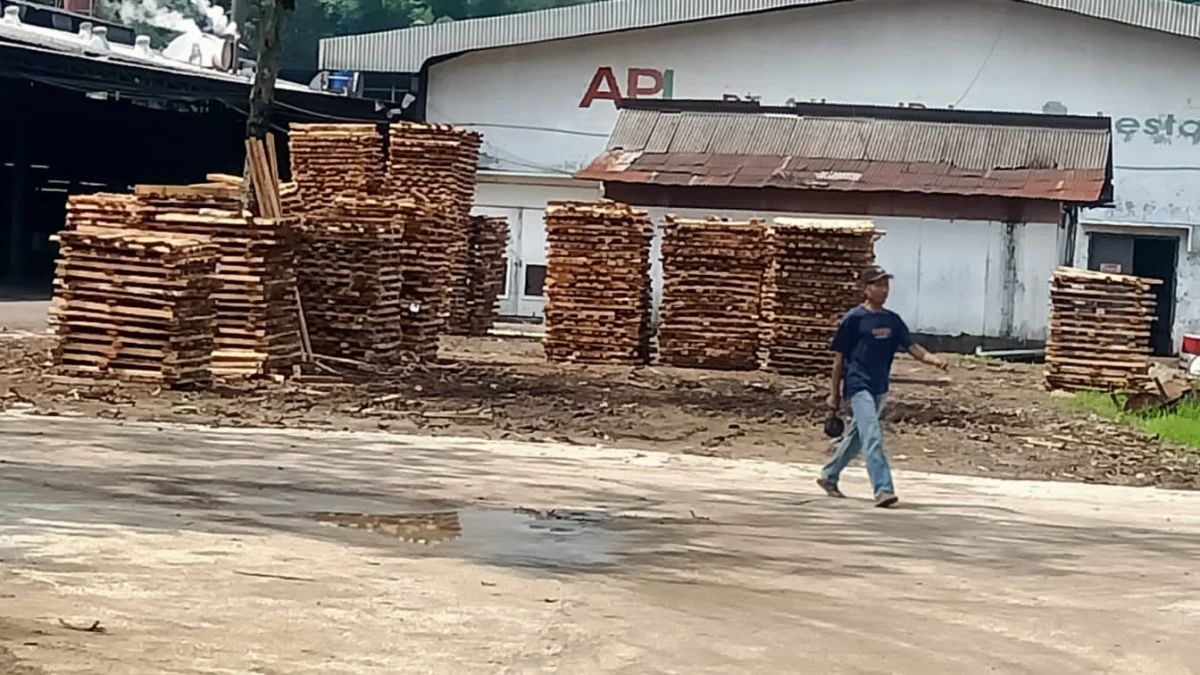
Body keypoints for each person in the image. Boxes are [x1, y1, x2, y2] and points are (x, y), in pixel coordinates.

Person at [816, 265, 948, 508]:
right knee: (873, 435)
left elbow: (911, 347)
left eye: (886, 285)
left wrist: (933, 360)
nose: (884, 290)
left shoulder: (892, 320)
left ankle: (829, 475)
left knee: (858, 436)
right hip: (857, 385)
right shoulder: (854, 319)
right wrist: (834, 394)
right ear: (866, 289)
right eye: (878, 285)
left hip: (879, 386)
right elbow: (839, 359)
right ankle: (883, 489)